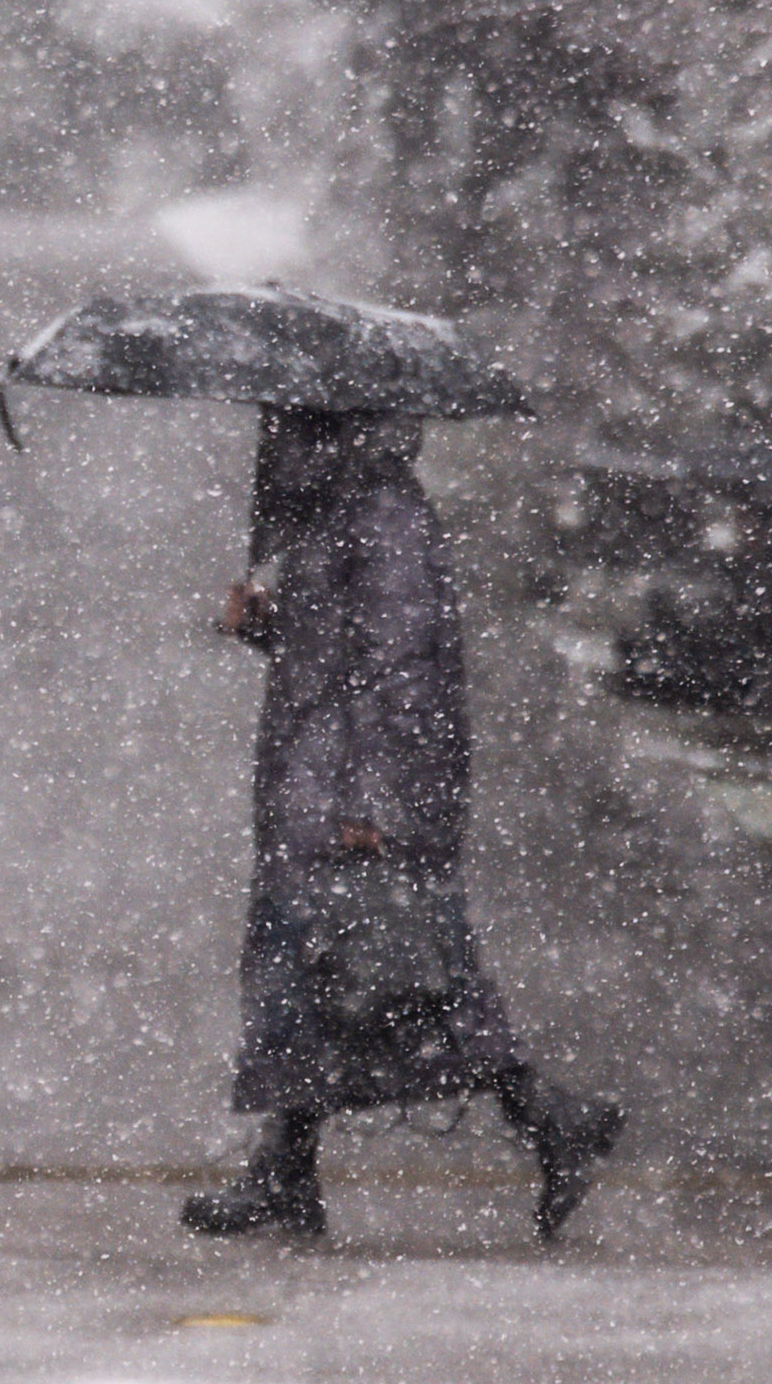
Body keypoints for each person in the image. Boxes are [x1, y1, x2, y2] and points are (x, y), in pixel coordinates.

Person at [183, 406, 622, 1245]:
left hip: (351, 798)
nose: (272, 437)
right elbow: (337, 654)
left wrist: (376, 803)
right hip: (316, 787)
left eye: (287, 421)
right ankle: (287, 1171)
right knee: (318, 991)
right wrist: (263, 627)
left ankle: (548, 1115)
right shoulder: (337, 511)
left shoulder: (384, 513)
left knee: (393, 984)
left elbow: (404, 669)